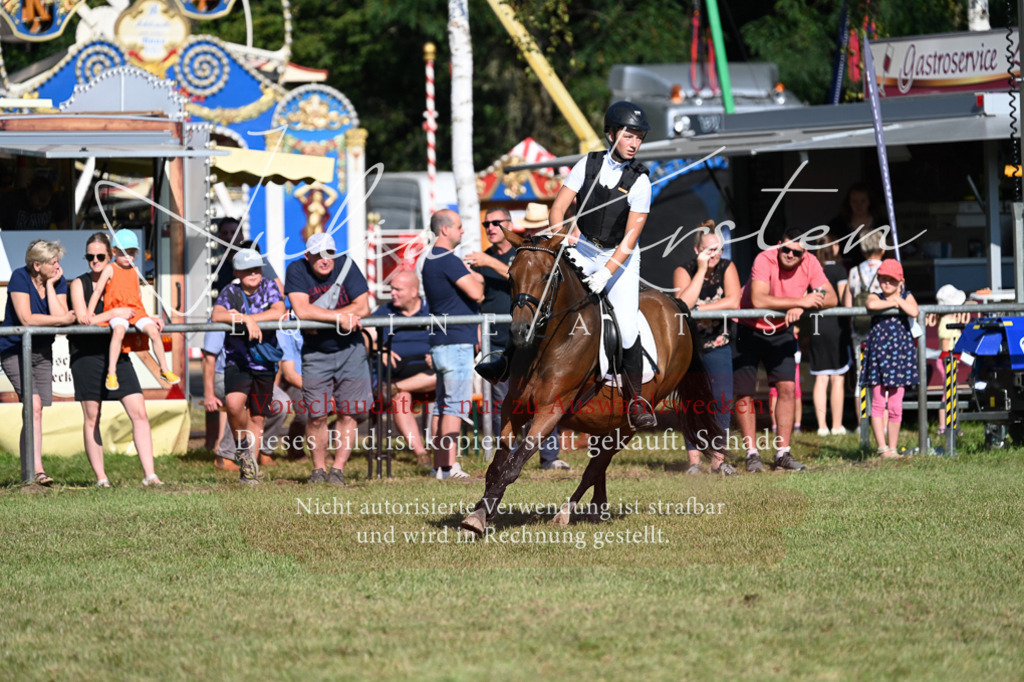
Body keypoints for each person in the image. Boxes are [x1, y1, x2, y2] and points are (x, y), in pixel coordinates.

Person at [549, 101, 656, 429]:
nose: (634, 143)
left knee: (626, 325)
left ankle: (637, 399)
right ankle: (511, 363)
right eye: (629, 135)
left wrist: (606, 273)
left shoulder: (640, 182)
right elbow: (558, 210)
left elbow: (629, 239)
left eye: (639, 137)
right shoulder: (588, 165)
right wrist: (564, 235)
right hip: (582, 249)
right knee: (545, 301)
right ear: (611, 134)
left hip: (619, 259)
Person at [469, 205, 570, 470]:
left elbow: (525, 274)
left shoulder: (540, 250)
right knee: (508, 398)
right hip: (503, 333)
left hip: (538, 328)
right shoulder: (493, 254)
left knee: (546, 395)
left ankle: (549, 456)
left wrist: (489, 263)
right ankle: (504, 454)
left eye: (495, 223)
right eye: (486, 224)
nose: (491, 228)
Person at [734, 226, 837, 472]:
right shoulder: (764, 258)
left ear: (805, 254)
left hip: (781, 330)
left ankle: (783, 453)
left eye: (796, 253)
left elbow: (832, 297)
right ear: (779, 244)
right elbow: (759, 299)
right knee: (745, 392)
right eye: (786, 249)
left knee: (788, 389)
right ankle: (751, 454)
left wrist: (803, 307)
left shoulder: (810, 262)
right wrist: (801, 301)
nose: (790, 255)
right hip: (747, 326)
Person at [69, 232, 162, 487]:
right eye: (90, 257)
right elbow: (82, 319)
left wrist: (151, 319)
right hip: (86, 355)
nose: (95, 261)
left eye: (100, 256)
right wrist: (114, 313)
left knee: (139, 411)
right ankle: (101, 478)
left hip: (118, 354)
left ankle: (150, 475)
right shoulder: (79, 283)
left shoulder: (126, 275)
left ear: (111, 255)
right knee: (92, 416)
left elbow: (135, 308)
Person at [285, 232, 372, 486]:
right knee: (317, 414)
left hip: (351, 350)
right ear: (307, 256)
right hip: (315, 352)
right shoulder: (296, 270)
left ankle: (338, 470)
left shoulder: (346, 264)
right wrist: (340, 318)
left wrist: (320, 319)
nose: (325, 259)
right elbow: (301, 310)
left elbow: (364, 307)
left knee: (349, 413)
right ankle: (318, 469)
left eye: (329, 253)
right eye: (318, 254)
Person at [0, 239, 76, 485]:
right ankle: (37, 470)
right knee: (32, 405)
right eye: (53, 263)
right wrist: (62, 320)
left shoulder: (58, 280)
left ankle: (29, 473)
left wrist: (52, 287)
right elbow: (26, 318)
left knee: (36, 409)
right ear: (37, 265)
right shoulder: (19, 277)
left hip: (42, 350)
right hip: (14, 348)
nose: (58, 266)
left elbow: (59, 316)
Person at [211, 249, 286, 484]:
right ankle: (242, 445)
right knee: (234, 405)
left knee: (258, 417)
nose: (253, 274)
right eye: (247, 270)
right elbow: (217, 314)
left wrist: (250, 318)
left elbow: (279, 311)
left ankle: (249, 473)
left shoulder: (269, 287)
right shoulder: (230, 291)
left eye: (256, 269)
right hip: (237, 360)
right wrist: (247, 319)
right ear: (237, 273)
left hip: (264, 362)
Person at [673, 220, 740, 475]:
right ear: (696, 250)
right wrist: (701, 270)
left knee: (721, 403)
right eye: (709, 250)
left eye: (718, 250)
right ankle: (694, 462)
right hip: (690, 348)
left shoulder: (727, 267)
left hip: (719, 344)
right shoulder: (685, 270)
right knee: (692, 403)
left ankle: (718, 461)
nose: (715, 255)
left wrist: (701, 309)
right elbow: (683, 304)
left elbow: (733, 301)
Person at [421, 209, 483, 480]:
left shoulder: (432, 258)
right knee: (455, 406)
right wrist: (476, 276)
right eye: (459, 226)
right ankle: (448, 467)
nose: (462, 231)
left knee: (443, 405)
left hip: (443, 341)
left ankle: (439, 465)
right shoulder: (447, 258)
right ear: (444, 230)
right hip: (456, 341)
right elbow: (476, 292)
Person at [85, 229, 179, 390]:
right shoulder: (110, 268)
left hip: (136, 311)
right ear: (114, 252)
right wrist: (89, 312)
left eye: (132, 253)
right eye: (124, 253)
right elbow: (98, 291)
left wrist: (149, 317)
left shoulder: (135, 270)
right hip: (117, 309)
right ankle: (112, 372)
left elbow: (138, 297)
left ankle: (164, 369)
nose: (128, 257)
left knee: (154, 332)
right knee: (119, 331)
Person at [371, 270, 436, 466]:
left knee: (445, 374)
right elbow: (364, 338)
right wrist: (381, 349)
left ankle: (398, 387)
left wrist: (437, 351)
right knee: (400, 398)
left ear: (414, 291)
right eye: (391, 289)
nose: (392, 293)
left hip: (428, 376)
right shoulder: (384, 311)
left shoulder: (433, 309)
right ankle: (421, 454)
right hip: (394, 374)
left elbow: (450, 335)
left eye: (397, 289)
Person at [861, 259, 919, 458]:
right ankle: (882, 448)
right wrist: (892, 302)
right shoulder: (875, 295)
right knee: (877, 402)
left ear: (901, 281)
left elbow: (914, 310)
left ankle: (893, 447)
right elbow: (871, 304)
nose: (887, 284)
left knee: (895, 404)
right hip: (878, 356)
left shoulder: (906, 296)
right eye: (883, 279)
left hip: (900, 357)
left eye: (892, 280)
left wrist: (897, 300)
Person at [809, 235, 852, 436]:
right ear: (834, 247)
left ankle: (822, 427)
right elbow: (844, 299)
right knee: (837, 378)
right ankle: (836, 426)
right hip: (836, 326)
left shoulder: (811, 270)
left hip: (816, 326)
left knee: (820, 377)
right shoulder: (839, 270)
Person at [934, 284, 967, 435]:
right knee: (947, 393)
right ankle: (944, 426)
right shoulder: (946, 322)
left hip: (952, 361)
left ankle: (952, 423)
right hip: (947, 361)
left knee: (951, 393)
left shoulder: (950, 319)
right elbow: (946, 347)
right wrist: (951, 362)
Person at [0, 176, 69, 231]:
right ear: (28, 192)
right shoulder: (11, 200)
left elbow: (65, 230)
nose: (39, 209)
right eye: (36, 205)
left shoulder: (55, 202)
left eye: (43, 207)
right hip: (12, 243)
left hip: (42, 245)